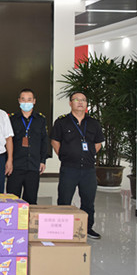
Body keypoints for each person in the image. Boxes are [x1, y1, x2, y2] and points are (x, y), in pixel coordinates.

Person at [50, 91, 105, 239]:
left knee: (88, 201)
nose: (80, 102)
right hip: (69, 168)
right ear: (70, 103)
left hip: (88, 169)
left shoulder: (94, 123)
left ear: (86, 104)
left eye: (83, 100)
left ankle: (87, 228)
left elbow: (98, 143)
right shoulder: (62, 122)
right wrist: (65, 155)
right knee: (64, 200)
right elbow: (55, 141)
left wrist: (88, 154)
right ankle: (62, 230)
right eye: (76, 100)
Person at [7, 88, 48, 204]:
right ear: (19, 100)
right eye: (23, 99)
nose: (26, 102)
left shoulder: (41, 119)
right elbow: (7, 141)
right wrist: (8, 161)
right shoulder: (12, 119)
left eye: (29, 99)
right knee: (12, 200)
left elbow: (44, 141)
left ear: (34, 101)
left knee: (31, 200)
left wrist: (43, 161)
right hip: (15, 166)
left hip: (33, 166)